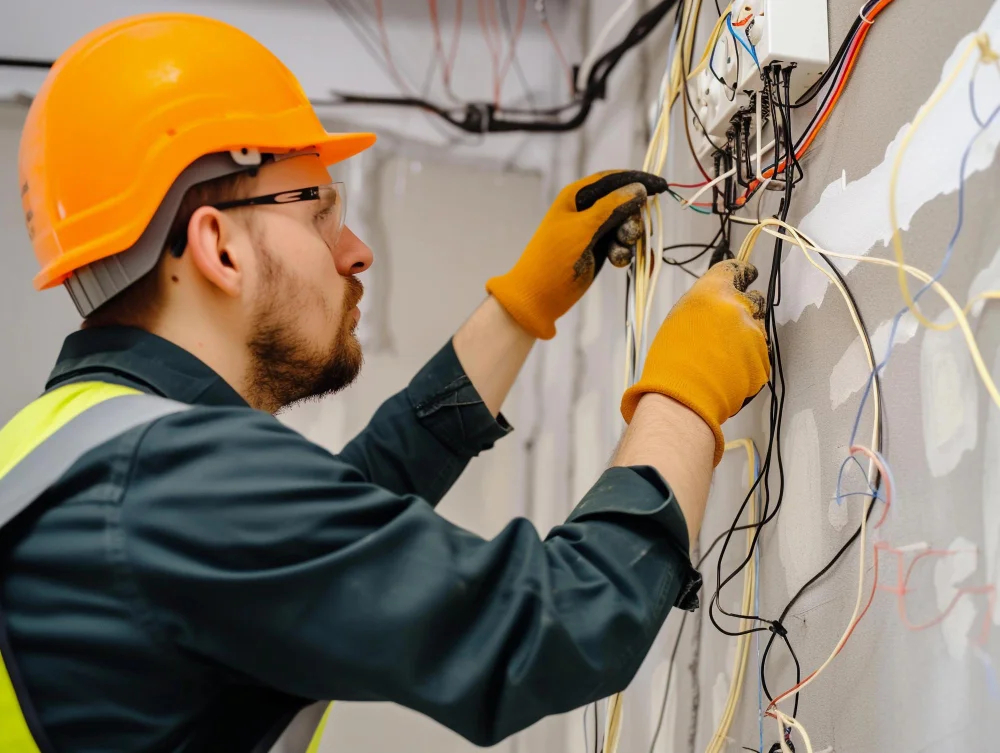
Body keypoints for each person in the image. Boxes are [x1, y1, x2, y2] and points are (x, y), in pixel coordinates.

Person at [2, 12, 769, 753]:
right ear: (218, 247)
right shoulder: (173, 483)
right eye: (318, 213)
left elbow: (334, 517)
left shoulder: (69, 450)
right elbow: (558, 627)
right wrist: (682, 398)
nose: (357, 251)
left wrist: (520, 309)